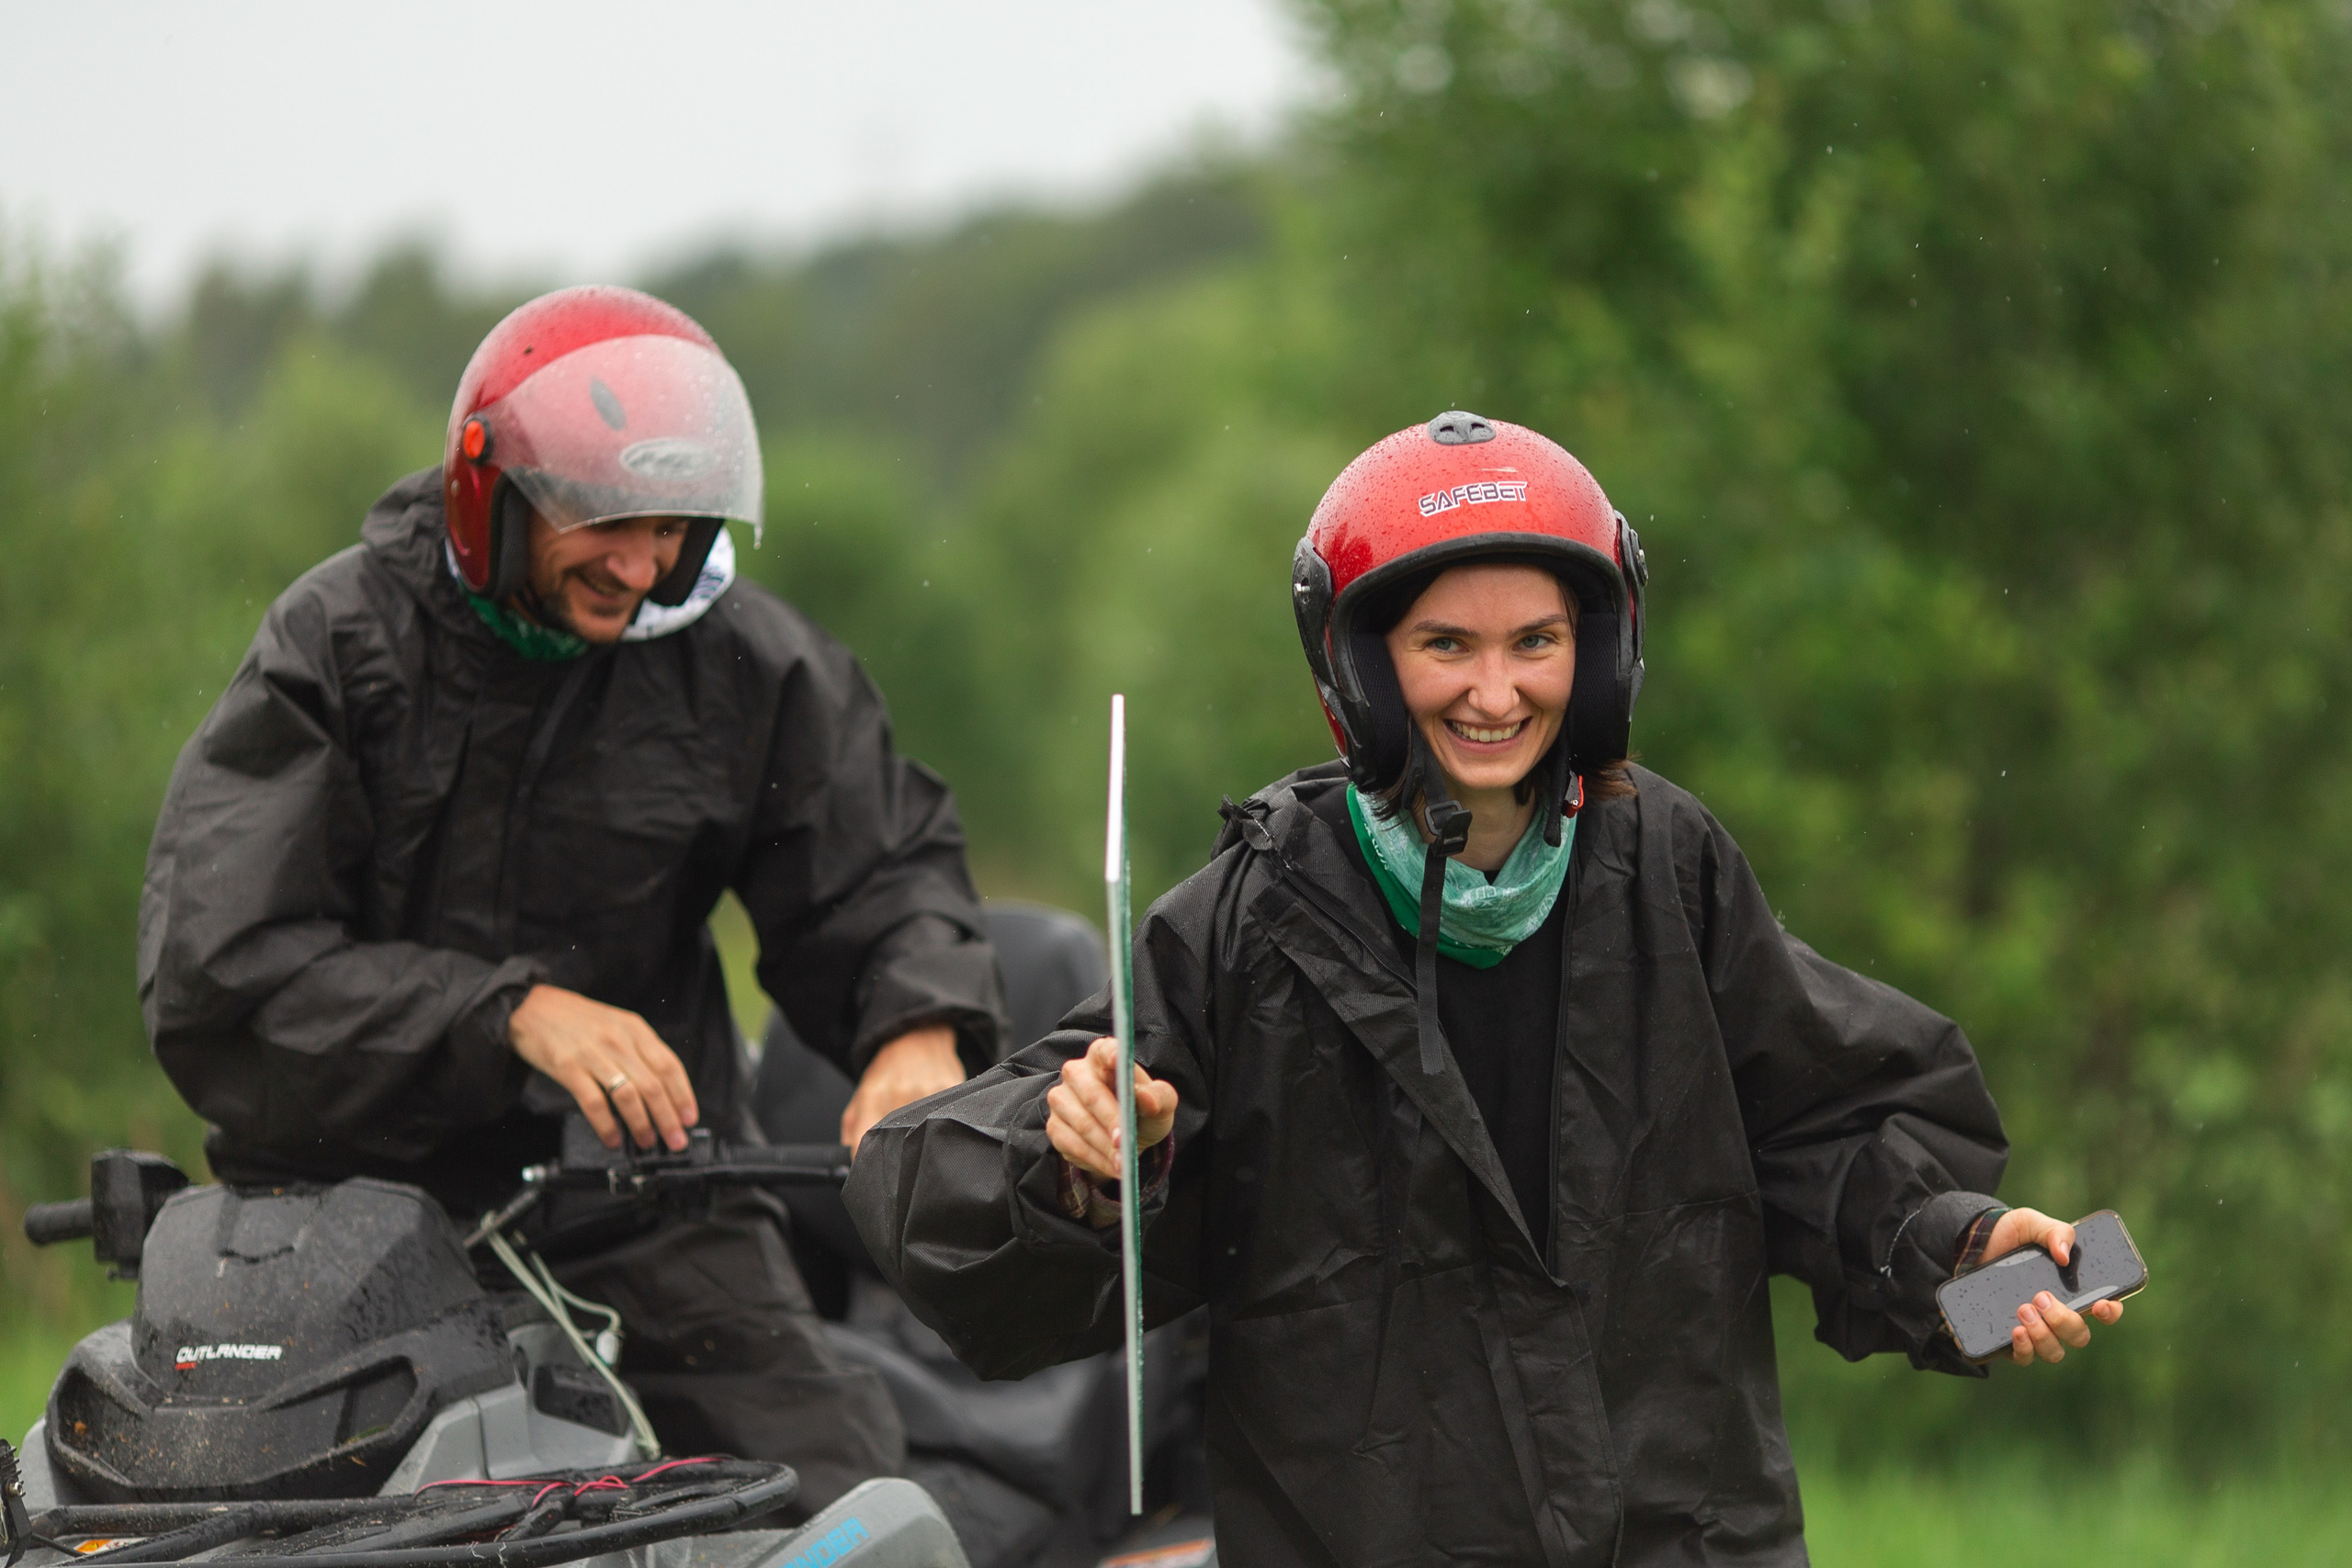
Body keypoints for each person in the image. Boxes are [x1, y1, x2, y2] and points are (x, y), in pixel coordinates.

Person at [847, 413, 2125, 1564]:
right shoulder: (1250, 921)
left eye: (1539, 643)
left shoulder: (1670, 867)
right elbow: (935, 1196)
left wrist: (1962, 1245)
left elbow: (1819, 1130)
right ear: (1355, 665)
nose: (1496, 692)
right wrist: (1070, 1156)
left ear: (1603, 654)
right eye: (1443, 645)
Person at [139, 285, 1005, 1508]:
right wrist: (509, 1016)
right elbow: (219, 978)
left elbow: (881, 863)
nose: (641, 563)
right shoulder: (337, 644)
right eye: (604, 518)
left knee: (846, 1507)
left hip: (646, 1207)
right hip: (333, 1233)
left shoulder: (737, 663)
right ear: (489, 496)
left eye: (672, 528)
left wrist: (918, 1030)